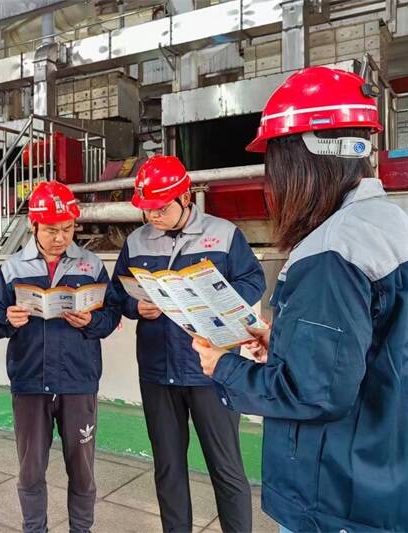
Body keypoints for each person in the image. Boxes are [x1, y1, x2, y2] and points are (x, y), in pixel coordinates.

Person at [193, 66, 408, 533]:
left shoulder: (331, 251)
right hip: (389, 476)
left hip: (336, 497)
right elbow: (380, 349)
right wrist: (283, 344)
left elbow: (315, 393)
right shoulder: (395, 225)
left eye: (276, 163)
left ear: (303, 160)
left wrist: (225, 367)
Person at [111, 155, 265, 533]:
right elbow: (118, 294)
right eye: (147, 209)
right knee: (168, 468)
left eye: (161, 208)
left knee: (226, 468)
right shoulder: (136, 242)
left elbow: (253, 280)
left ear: (186, 198)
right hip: (157, 371)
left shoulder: (223, 235)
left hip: (212, 370)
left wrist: (219, 302)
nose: (153, 216)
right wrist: (135, 306)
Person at [0, 181, 121, 533]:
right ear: (33, 225)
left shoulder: (91, 265)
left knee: (83, 471)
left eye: (67, 229)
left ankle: (81, 529)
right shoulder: (13, 267)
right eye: (51, 230)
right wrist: (7, 319)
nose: (61, 238)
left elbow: (111, 315)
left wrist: (92, 322)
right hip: (30, 381)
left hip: (78, 381)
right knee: (30, 471)